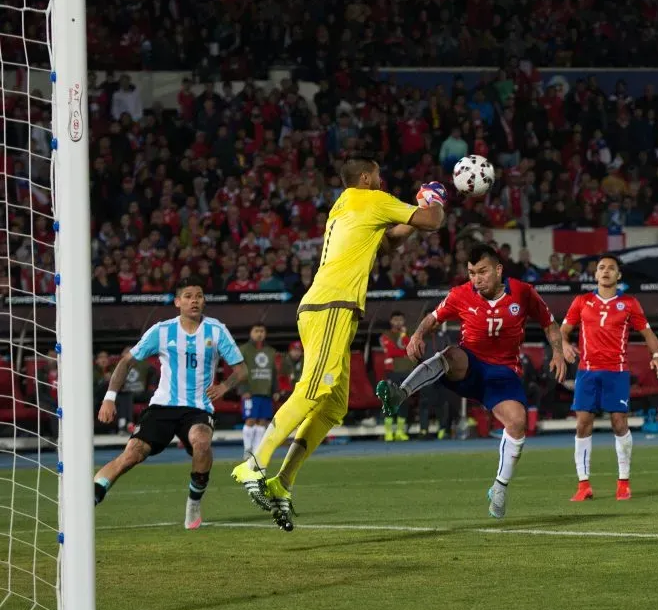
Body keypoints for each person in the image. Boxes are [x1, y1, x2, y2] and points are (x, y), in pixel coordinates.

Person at [231, 155, 447, 531]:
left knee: (333, 407)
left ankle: (282, 483)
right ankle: (254, 463)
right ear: (365, 177)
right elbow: (430, 222)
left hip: (330, 308)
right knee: (314, 389)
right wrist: (434, 201)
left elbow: (390, 243)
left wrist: (416, 208)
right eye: (378, 175)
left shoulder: (346, 205)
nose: (382, 181)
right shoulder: (371, 199)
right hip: (332, 305)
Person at [375, 244, 566, 519]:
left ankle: (499, 488)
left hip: (503, 373)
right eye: (471, 272)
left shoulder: (523, 292)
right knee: (452, 354)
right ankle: (400, 394)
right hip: (471, 365)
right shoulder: (460, 294)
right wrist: (417, 336)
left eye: (482, 272)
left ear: (498, 270)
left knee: (518, 422)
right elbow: (433, 318)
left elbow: (549, 322)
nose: (476, 279)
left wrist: (558, 352)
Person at [94, 276, 247, 530]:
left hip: (198, 407)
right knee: (132, 455)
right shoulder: (162, 331)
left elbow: (241, 371)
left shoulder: (216, 330)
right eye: (188, 296)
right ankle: (92, 497)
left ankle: (194, 503)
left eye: (198, 296)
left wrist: (224, 386)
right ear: (177, 302)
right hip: (163, 406)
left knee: (201, 442)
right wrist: (109, 399)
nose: (194, 301)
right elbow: (126, 362)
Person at [560, 255, 658, 502]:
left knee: (619, 422)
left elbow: (647, 333)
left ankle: (623, 483)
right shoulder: (582, 301)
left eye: (611, 268)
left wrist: (657, 355)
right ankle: (583, 485)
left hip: (616, 372)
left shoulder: (629, 303)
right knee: (583, 424)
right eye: (601, 268)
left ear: (619, 276)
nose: (605, 271)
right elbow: (562, 331)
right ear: (595, 275)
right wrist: (563, 344)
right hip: (587, 371)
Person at [238, 323, 278, 460]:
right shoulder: (243, 350)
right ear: (251, 333)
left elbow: (274, 373)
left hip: (265, 391)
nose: (259, 334)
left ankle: (257, 452)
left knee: (262, 421)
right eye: (256, 331)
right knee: (250, 420)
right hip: (250, 391)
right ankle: (247, 450)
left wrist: (275, 390)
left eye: (262, 331)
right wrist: (243, 389)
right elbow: (239, 371)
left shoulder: (270, 351)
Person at [379, 311, 413, 441]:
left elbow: (409, 349)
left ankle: (399, 431)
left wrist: (404, 336)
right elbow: (393, 351)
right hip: (392, 371)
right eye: (395, 320)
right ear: (391, 321)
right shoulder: (385, 335)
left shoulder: (407, 334)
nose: (398, 322)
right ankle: (388, 432)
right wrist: (403, 351)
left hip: (407, 371)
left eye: (400, 320)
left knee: (404, 401)